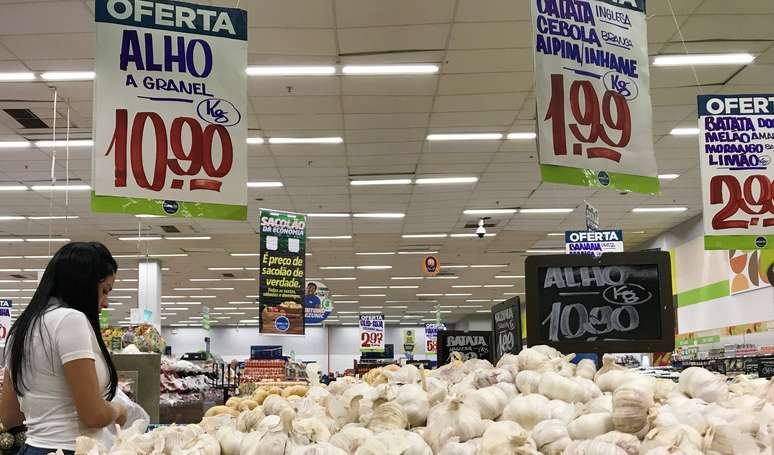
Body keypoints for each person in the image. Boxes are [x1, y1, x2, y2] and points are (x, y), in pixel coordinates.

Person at [0, 242, 127, 455]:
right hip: (72, 449)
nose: (105, 303)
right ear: (85, 284)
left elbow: (9, 416)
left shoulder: (20, 329)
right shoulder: (70, 320)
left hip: (33, 448)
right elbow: (93, 415)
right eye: (105, 290)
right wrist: (119, 409)